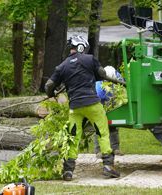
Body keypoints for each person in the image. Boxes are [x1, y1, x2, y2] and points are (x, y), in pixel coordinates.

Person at [45, 34, 127, 179]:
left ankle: (68, 171)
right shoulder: (89, 59)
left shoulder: (62, 66)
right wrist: (117, 82)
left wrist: (52, 94)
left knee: (73, 136)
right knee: (102, 132)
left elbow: (49, 85)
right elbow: (102, 74)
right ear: (81, 46)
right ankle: (108, 165)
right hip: (92, 104)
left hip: (75, 107)